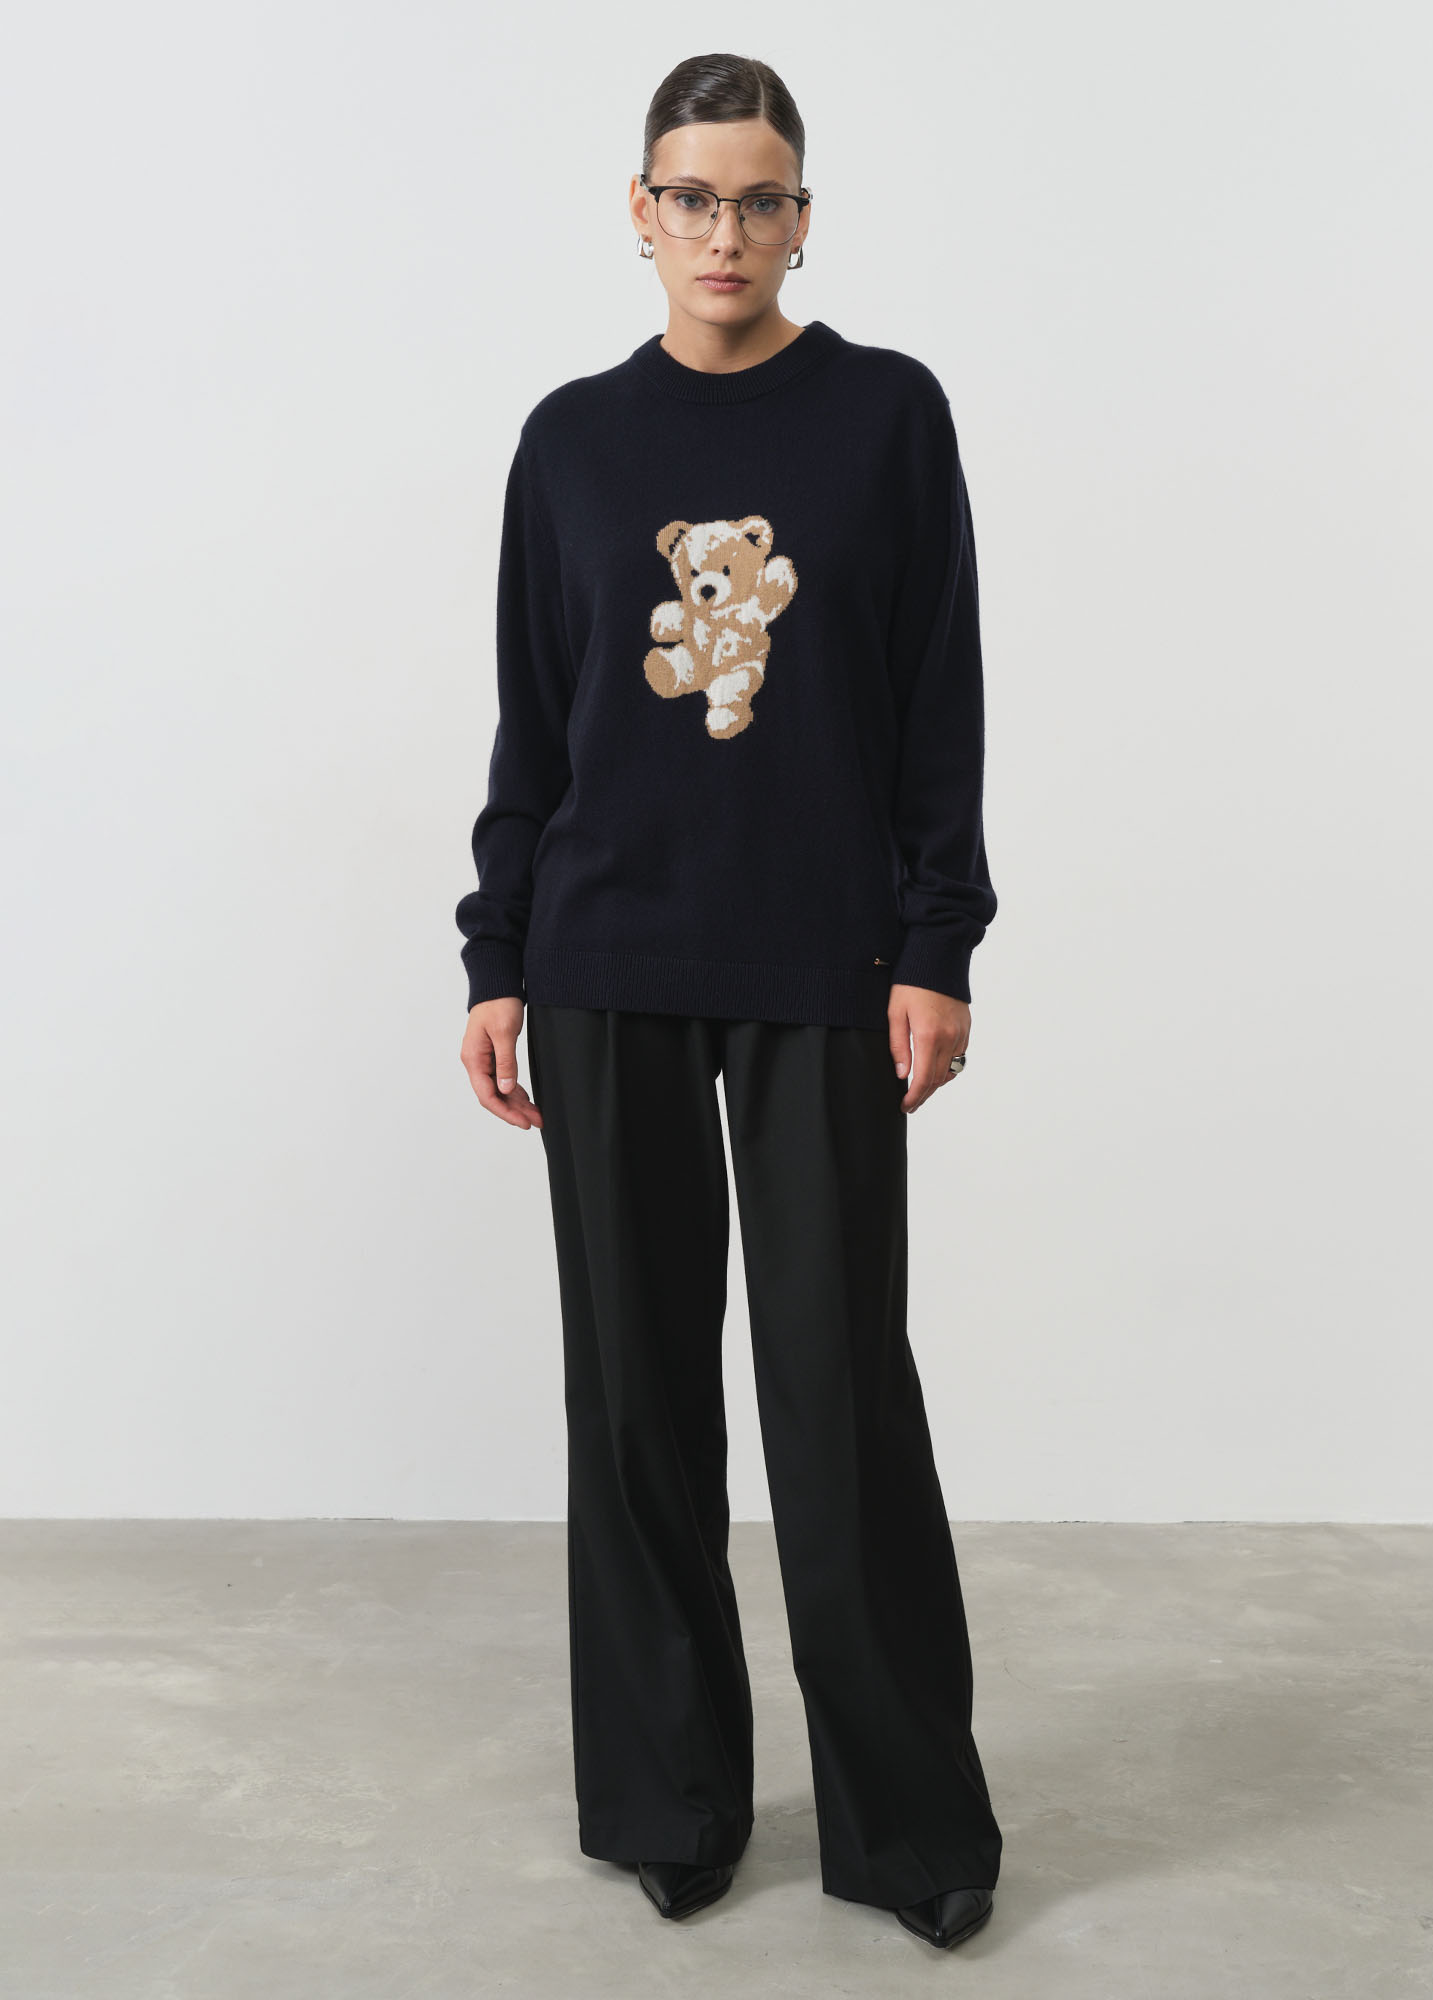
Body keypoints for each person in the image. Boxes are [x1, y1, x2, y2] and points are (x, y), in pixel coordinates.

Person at [456, 52, 1003, 1954]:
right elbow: (537, 722)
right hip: (604, 958)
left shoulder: (886, 417)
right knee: (637, 1401)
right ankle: (670, 1798)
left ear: (802, 217)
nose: (726, 232)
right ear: (641, 210)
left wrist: (938, 941)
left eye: (761, 199)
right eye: (693, 197)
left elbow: (939, 699)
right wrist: (497, 953)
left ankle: (909, 1826)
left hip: (824, 966)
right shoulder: (572, 443)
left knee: (838, 1398)